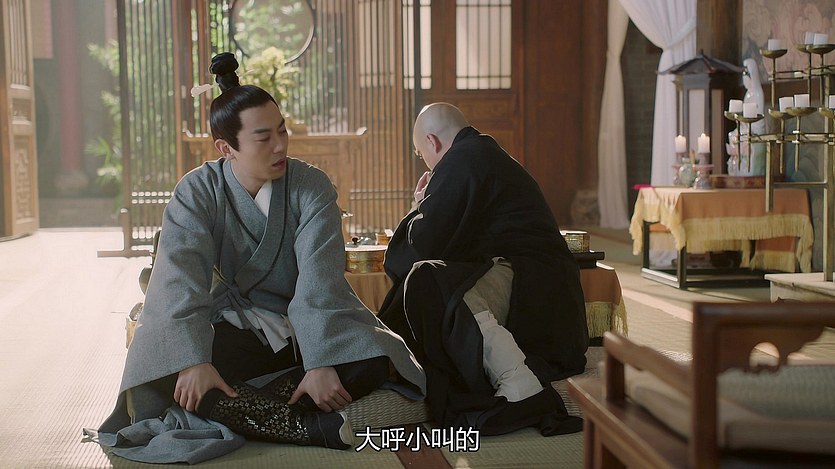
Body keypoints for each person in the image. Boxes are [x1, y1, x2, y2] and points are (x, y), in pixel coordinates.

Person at [93, 52, 425, 463]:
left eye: (282, 130)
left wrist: (321, 360)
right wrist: (193, 360)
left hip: (299, 329)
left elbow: (320, 282)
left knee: (370, 360)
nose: (280, 145)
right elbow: (179, 282)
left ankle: (243, 408)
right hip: (227, 329)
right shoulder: (196, 192)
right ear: (226, 147)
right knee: (170, 369)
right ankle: (305, 425)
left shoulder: (311, 186)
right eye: (264, 138)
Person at [378, 102, 588, 437]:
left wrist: (419, 206)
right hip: (546, 291)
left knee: (428, 280)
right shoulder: (483, 153)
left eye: (421, 154)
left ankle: (519, 381)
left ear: (431, 142)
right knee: (435, 280)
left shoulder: (462, 160)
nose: (426, 163)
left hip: (532, 287)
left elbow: (424, 245)